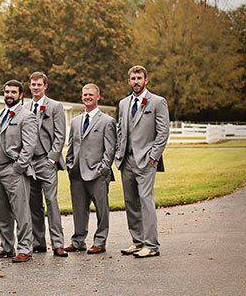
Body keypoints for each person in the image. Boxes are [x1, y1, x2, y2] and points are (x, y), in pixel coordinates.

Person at [114, 66, 170, 258]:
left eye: (139, 78)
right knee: (131, 202)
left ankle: (151, 245)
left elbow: (163, 133)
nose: (136, 81)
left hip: (146, 160)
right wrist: (118, 155)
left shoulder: (157, 102)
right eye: (132, 78)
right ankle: (137, 242)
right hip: (126, 160)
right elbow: (120, 129)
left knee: (146, 201)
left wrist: (153, 157)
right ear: (129, 81)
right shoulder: (123, 103)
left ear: (146, 80)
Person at [0, 80, 38, 263]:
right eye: (7, 91)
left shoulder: (27, 116)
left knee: (21, 212)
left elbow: (29, 147)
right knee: (2, 213)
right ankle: (6, 247)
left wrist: (18, 168)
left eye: (13, 92)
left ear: (21, 95)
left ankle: (24, 249)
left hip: (13, 170)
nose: (9, 95)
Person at [66, 84, 117, 254]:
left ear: (98, 97)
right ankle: (78, 241)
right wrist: (70, 165)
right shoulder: (75, 121)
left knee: (102, 210)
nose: (87, 97)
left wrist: (103, 169)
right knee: (79, 209)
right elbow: (71, 146)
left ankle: (100, 242)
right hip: (77, 174)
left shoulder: (107, 121)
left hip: (97, 173)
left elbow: (110, 149)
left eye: (90, 95)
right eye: (85, 94)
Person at [25, 71, 68, 257]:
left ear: (45, 86)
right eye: (33, 85)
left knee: (51, 202)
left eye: (39, 85)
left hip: (46, 160)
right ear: (29, 86)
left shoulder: (55, 106)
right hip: (29, 162)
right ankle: (38, 242)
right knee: (33, 204)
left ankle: (58, 243)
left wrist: (52, 158)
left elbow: (60, 135)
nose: (35, 87)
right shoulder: (24, 107)